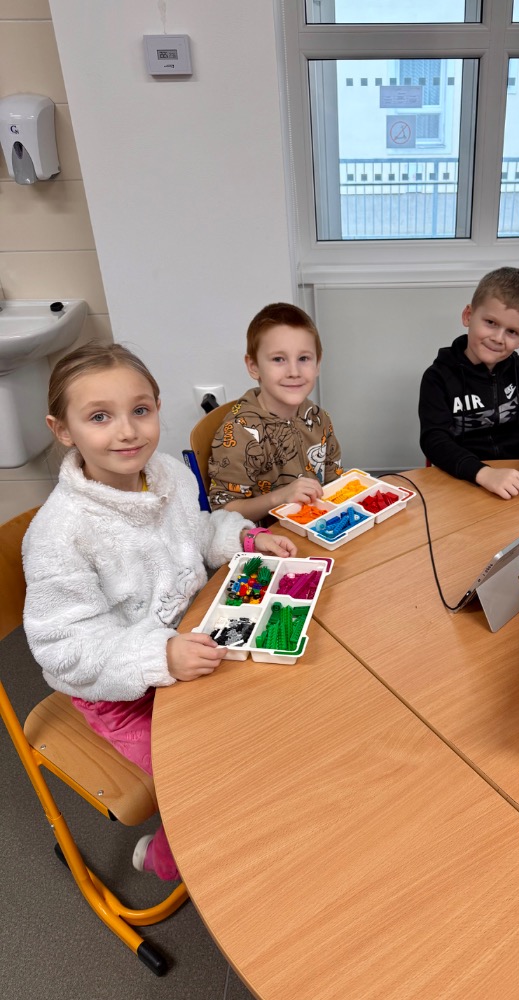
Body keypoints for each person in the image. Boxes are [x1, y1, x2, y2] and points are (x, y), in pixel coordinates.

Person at [22, 343, 296, 881]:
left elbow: (198, 532)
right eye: (100, 417)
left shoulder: (168, 473)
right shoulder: (59, 534)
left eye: (140, 410)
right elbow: (64, 647)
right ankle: (167, 861)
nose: (127, 431)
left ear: (158, 408)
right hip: (120, 691)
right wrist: (159, 655)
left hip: (193, 643)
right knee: (206, 779)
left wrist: (243, 539)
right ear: (63, 430)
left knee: (271, 729)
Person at [419, 267, 519, 500]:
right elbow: (434, 442)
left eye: (512, 332)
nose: (498, 338)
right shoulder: (437, 377)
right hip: (463, 484)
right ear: (468, 316)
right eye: (490, 322)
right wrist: (483, 473)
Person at [207, 302, 342, 522]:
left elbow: (334, 482)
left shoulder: (319, 418)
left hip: (320, 527)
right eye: (279, 359)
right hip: (269, 538)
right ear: (254, 367)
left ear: (318, 364)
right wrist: (279, 497)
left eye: (304, 358)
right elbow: (224, 511)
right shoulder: (240, 433)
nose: (294, 372)